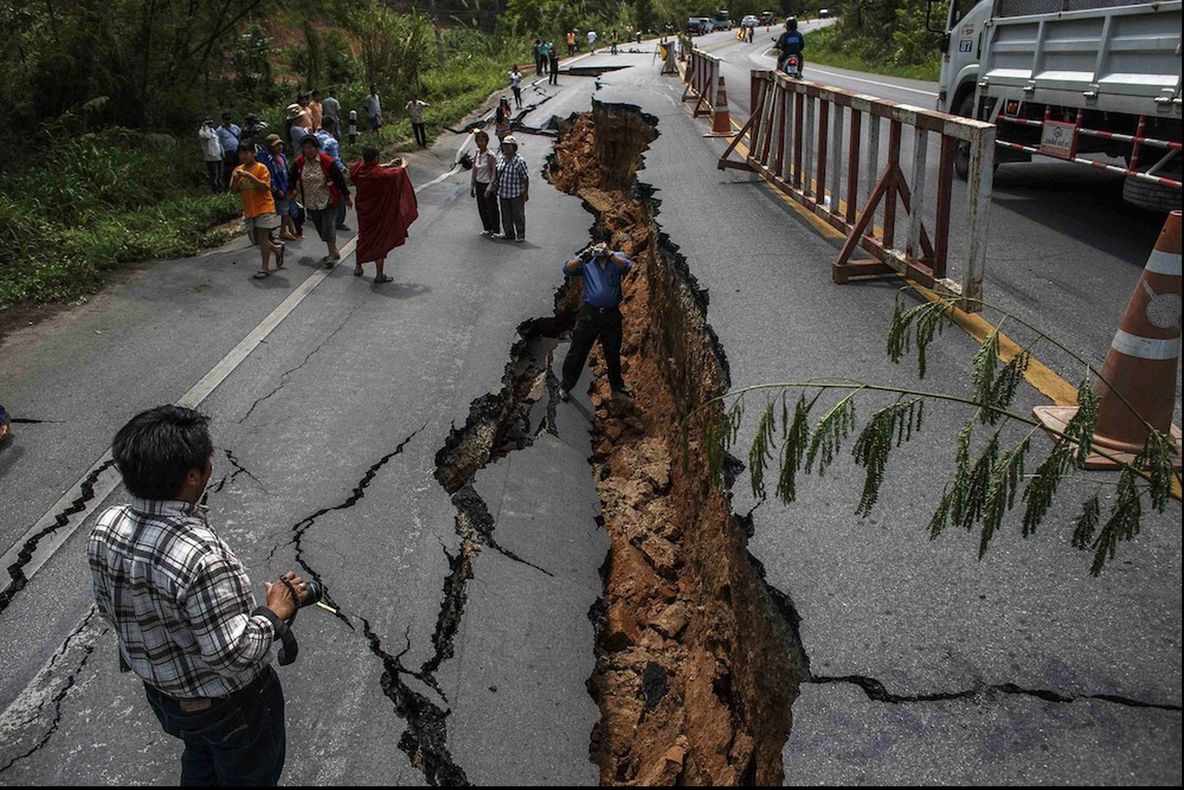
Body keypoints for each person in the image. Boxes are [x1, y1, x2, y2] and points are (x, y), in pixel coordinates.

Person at [88, 405, 312, 786]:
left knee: (200, 758)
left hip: (166, 699)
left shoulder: (107, 525)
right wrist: (274, 612)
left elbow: (111, 609)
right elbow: (233, 655)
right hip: (230, 708)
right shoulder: (199, 556)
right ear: (193, 476)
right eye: (207, 458)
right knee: (248, 773)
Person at [558, 226, 634, 402]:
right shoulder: (587, 260)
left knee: (613, 352)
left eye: (603, 244)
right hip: (589, 314)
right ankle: (566, 385)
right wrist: (582, 257)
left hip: (611, 315)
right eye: (597, 244)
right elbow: (567, 269)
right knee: (577, 352)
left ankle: (617, 386)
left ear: (609, 243)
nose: (600, 248)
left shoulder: (617, 258)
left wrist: (609, 254)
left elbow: (626, 267)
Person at [348, 146, 418, 283]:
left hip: (363, 210)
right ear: (376, 158)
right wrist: (403, 166)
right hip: (377, 211)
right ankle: (379, 274)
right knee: (378, 240)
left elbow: (373, 168)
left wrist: (389, 165)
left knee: (363, 236)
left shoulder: (357, 169)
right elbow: (396, 174)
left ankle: (358, 267)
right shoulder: (379, 175)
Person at [292, 134, 351, 267]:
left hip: (328, 199)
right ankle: (334, 250)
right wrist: (291, 191)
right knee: (320, 227)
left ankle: (332, 253)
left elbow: (339, 179)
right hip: (311, 201)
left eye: (310, 147)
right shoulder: (300, 162)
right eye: (305, 148)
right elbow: (292, 176)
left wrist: (346, 196)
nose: (308, 150)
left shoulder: (327, 161)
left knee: (328, 226)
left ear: (317, 148)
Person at [229, 142, 286, 279]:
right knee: (255, 239)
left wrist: (249, 176)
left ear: (254, 153)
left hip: (264, 207)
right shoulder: (238, 170)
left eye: (247, 152)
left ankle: (264, 268)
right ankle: (277, 249)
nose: (244, 156)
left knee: (263, 237)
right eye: (241, 153)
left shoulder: (261, 168)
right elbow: (233, 190)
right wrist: (236, 180)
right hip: (249, 209)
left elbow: (264, 188)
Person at [487, 135, 528, 242]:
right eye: (505, 145)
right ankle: (509, 233)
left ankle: (520, 234)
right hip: (503, 192)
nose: (506, 148)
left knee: (518, 215)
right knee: (506, 215)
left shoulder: (519, 161)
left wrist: (525, 192)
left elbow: (525, 177)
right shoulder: (501, 158)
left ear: (514, 147)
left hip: (515, 193)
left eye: (508, 146)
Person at [260, 134, 298, 241]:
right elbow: (271, 175)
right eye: (276, 145)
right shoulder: (270, 160)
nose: (279, 147)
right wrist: (275, 188)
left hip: (286, 186)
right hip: (279, 188)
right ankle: (283, 230)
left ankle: (291, 229)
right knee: (284, 210)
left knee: (288, 209)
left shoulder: (282, 157)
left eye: (280, 144)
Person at [316, 118, 350, 231]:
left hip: (318, 170)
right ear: (331, 126)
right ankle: (338, 222)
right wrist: (344, 170)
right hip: (331, 172)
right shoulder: (331, 141)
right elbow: (335, 160)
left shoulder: (315, 137)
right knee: (339, 195)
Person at [470, 130, 499, 237]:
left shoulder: (490, 156)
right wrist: (472, 186)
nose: (480, 143)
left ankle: (496, 230)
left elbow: (494, 173)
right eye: (478, 141)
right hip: (479, 184)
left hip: (487, 184)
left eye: (482, 141)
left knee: (492, 208)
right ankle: (487, 228)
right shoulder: (477, 154)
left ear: (486, 142)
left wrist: (490, 187)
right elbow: (474, 171)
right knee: (482, 208)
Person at [198, 117, 224, 193]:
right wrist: (205, 127)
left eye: (210, 123)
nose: (210, 124)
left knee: (219, 175)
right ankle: (215, 191)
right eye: (208, 123)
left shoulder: (213, 131)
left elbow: (218, 142)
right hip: (210, 158)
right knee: (214, 175)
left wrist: (222, 152)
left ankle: (220, 190)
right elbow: (206, 136)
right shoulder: (202, 132)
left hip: (218, 156)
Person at [216, 113, 241, 190]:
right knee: (228, 170)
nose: (228, 121)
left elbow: (240, 135)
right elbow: (218, 142)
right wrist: (222, 152)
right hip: (228, 152)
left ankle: (238, 185)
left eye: (229, 119)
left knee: (238, 168)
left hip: (236, 151)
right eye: (226, 119)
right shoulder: (219, 130)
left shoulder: (235, 127)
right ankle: (228, 185)